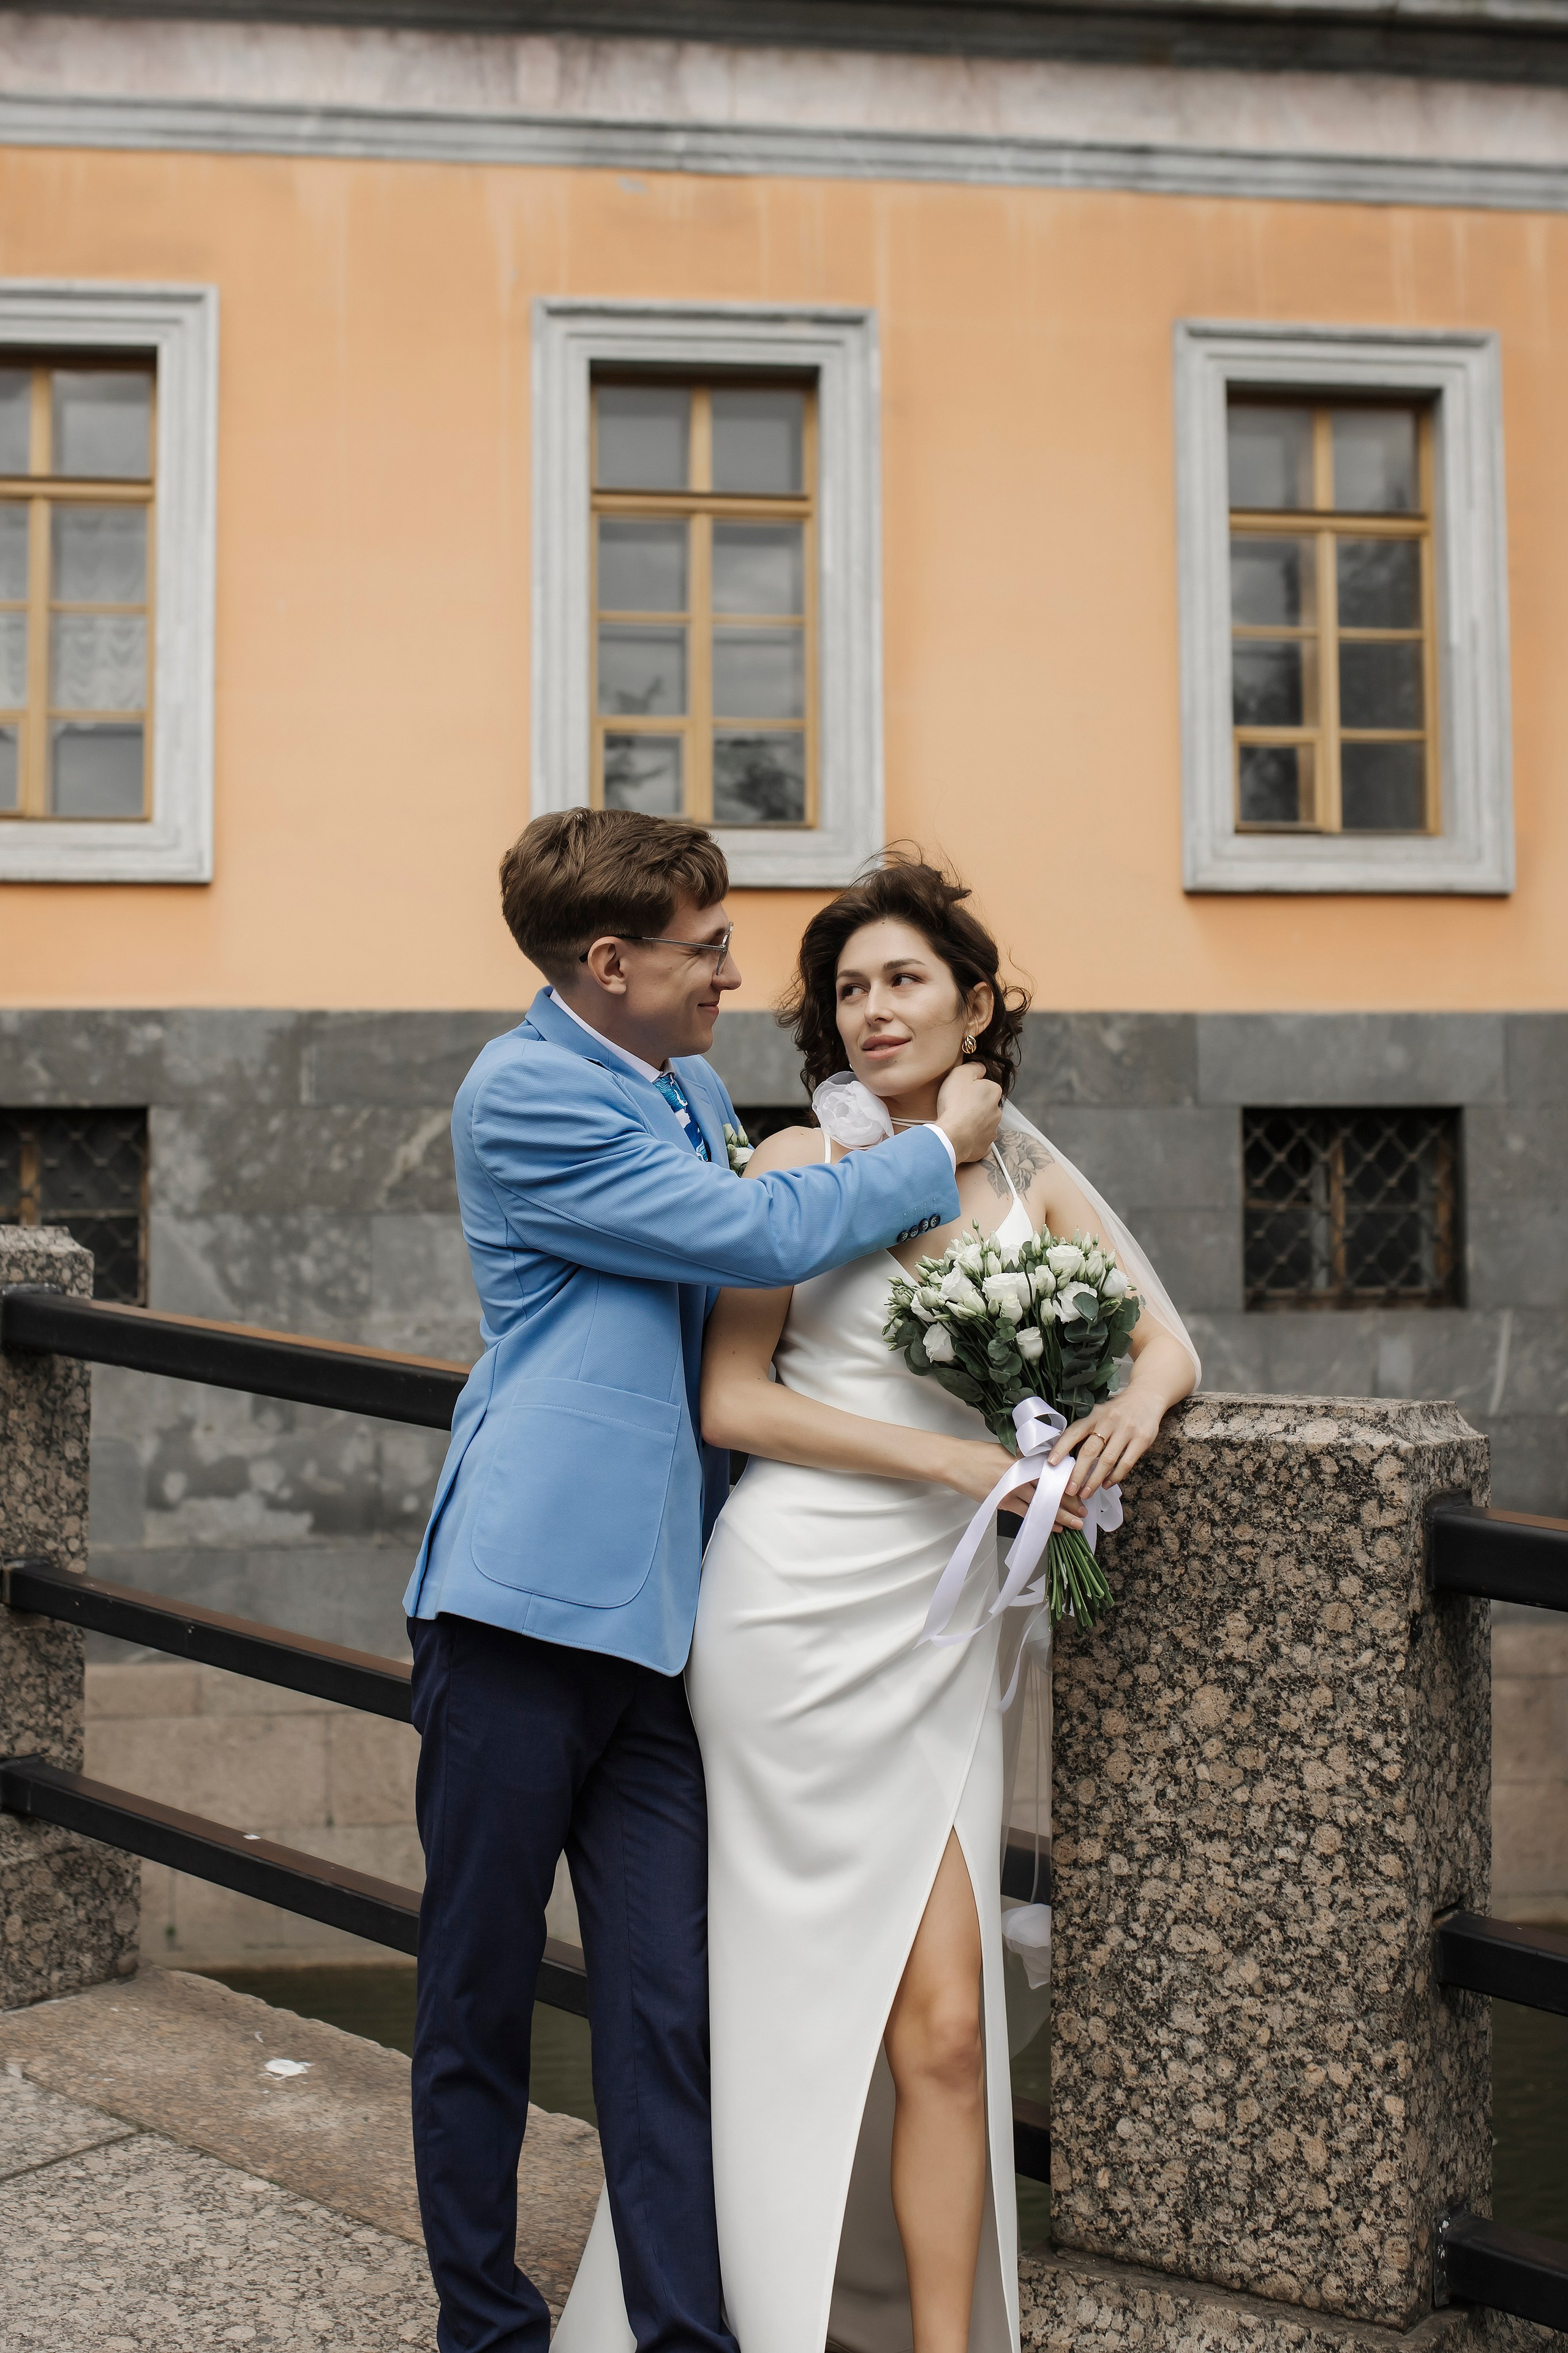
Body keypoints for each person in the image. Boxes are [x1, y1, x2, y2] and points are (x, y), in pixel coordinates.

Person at [557, 855, 1198, 2353]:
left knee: (950, 2027)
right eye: (847, 989)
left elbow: (1162, 1340)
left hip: (947, 1636)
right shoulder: (791, 1168)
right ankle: (753, 2311)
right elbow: (732, 1402)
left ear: (973, 1005)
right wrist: (961, 1459)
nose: (871, 1010)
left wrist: (1128, 1416)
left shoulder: (1028, 1176)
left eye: (902, 979)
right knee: (788, 2002)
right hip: (790, 1618)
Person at [402, 811, 1006, 2353]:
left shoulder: (675, 1081)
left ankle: (683, 2336)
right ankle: (489, 2328)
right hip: (522, 1608)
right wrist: (937, 1150)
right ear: (608, 964)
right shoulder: (523, 1091)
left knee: (672, 2010)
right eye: (707, 949)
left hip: (671, 1623)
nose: (737, 974)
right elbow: (746, 1228)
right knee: (475, 1998)